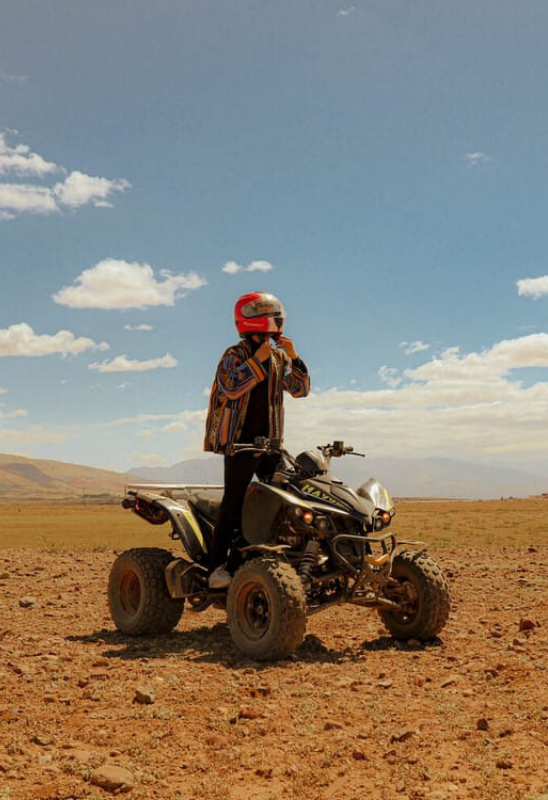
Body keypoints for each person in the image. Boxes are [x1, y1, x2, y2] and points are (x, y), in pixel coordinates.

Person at [203, 290, 310, 588]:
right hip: (240, 444)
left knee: (283, 501)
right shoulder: (233, 355)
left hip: (272, 446)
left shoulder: (278, 357)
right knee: (234, 503)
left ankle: (265, 558)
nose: (272, 317)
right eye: (265, 312)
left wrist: (294, 357)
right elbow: (232, 387)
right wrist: (257, 360)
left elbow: (300, 391)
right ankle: (215, 569)